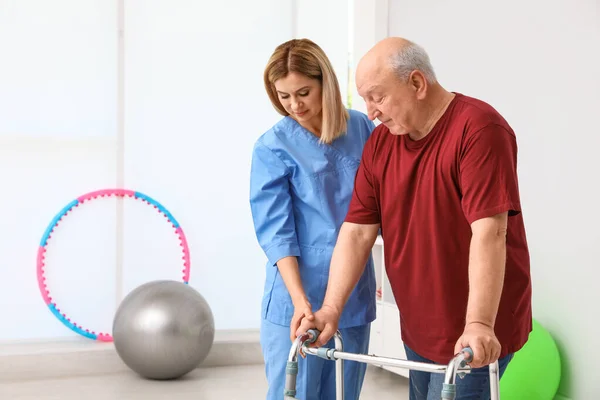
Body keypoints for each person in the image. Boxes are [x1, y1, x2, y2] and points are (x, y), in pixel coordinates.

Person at [297, 37, 533, 400]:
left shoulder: (479, 130)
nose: (370, 112)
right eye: (364, 100)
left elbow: (490, 232)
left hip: (473, 332)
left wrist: (479, 323)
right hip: (420, 323)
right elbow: (358, 231)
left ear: (417, 83)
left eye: (377, 96)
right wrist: (331, 308)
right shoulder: (382, 143)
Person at [249, 38, 377, 400]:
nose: (294, 105)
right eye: (284, 96)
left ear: (326, 82)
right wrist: (301, 301)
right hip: (296, 294)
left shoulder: (363, 129)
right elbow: (277, 234)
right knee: (297, 391)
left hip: (351, 291)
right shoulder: (272, 146)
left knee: (343, 392)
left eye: (303, 92)